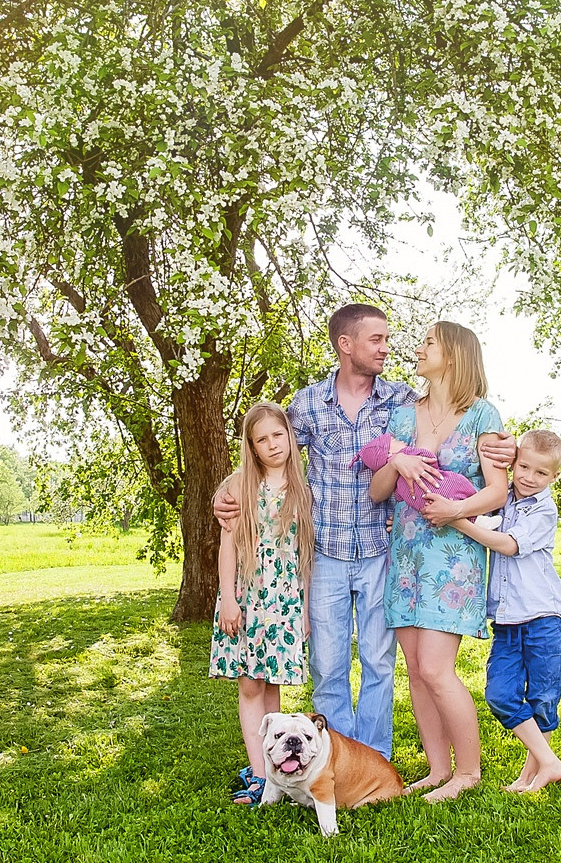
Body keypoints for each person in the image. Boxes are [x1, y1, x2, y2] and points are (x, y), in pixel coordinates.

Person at [212, 304, 516, 760]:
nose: (387, 348)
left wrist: (505, 445)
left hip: (383, 550)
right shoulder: (308, 404)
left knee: (379, 664)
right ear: (345, 345)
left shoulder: (401, 400)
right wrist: (224, 490)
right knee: (328, 666)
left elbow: (455, 422)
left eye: (388, 339)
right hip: (326, 551)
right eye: (376, 340)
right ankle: (336, 760)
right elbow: (265, 447)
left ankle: (374, 762)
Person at [367, 320, 509, 803]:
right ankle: (436, 769)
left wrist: (456, 510)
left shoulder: (481, 415)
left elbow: (497, 491)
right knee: (414, 667)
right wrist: (395, 460)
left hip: (453, 553)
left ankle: (468, 772)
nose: (418, 347)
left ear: (453, 355)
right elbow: (377, 491)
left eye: (428, 342)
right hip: (405, 552)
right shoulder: (404, 417)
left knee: (435, 668)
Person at [448, 428, 561, 793]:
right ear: (514, 462)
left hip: (543, 617)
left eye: (541, 473)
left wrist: (458, 521)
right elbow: (474, 494)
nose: (530, 478)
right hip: (507, 620)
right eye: (524, 467)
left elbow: (507, 544)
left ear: (555, 477)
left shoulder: (544, 510)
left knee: (543, 700)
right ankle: (549, 762)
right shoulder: (503, 498)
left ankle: (534, 772)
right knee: (500, 694)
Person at [211, 402, 315, 807]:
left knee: (271, 682)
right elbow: (226, 549)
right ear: (252, 448)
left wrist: (303, 608)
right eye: (262, 440)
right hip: (248, 593)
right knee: (250, 683)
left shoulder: (301, 489)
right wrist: (229, 601)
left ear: (289, 437)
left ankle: (274, 775)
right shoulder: (238, 486)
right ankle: (258, 776)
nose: (273, 445)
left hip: (284, 596)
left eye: (278, 435)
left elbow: (304, 553)